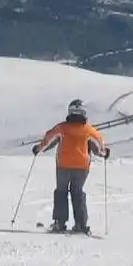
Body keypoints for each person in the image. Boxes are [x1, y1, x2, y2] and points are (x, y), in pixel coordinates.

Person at [33, 99, 108, 234]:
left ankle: (60, 223)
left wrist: (38, 149)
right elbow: (99, 146)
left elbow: (49, 140)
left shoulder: (62, 128)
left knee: (61, 192)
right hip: (82, 167)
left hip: (63, 165)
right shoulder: (89, 131)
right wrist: (104, 153)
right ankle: (80, 224)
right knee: (77, 192)